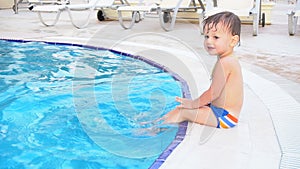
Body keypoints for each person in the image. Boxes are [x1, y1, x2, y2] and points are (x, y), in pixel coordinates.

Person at [163, 11, 243, 129]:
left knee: (183, 112)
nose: (209, 41)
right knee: (180, 108)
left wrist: (193, 103)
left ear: (233, 41)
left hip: (225, 117)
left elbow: (213, 93)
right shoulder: (227, 59)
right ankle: (157, 125)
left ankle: (153, 129)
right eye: (206, 36)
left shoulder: (225, 63)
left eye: (215, 37)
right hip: (219, 111)